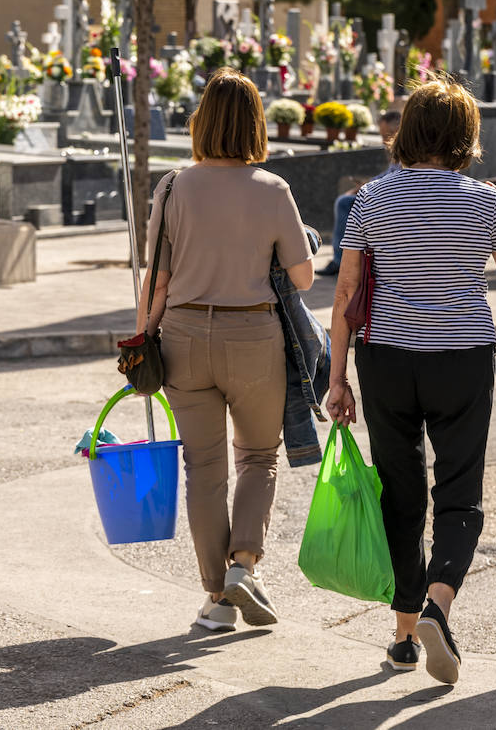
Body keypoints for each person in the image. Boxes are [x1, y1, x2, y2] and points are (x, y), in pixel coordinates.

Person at [325, 77, 496, 684]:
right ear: (465, 138)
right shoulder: (484, 201)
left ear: (407, 132)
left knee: (400, 492)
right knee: (460, 489)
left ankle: (402, 636)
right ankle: (438, 608)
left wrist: (337, 378)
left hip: (386, 355)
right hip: (463, 355)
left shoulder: (369, 201)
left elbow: (345, 293)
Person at [138, 68, 315, 633]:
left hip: (184, 335)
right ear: (258, 124)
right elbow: (305, 277)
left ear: (200, 122)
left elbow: (157, 281)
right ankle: (244, 564)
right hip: (253, 335)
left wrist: (141, 339)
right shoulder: (272, 190)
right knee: (259, 457)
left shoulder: (171, 188)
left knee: (204, 469)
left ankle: (215, 599)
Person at [316, 110, 401, 276]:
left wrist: (368, 186)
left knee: (344, 203)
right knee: (346, 200)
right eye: (382, 135)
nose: (384, 140)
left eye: (387, 135)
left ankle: (340, 261)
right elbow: (390, 173)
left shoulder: (404, 146)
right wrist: (366, 185)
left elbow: (396, 175)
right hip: (387, 192)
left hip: (392, 196)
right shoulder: (398, 147)